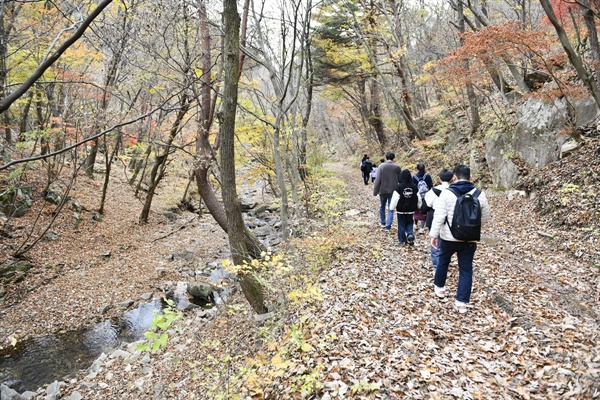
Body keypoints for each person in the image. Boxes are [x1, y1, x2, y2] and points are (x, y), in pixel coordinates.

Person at [429, 165, 491, 314]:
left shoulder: (447, 193)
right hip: (469, 239)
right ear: (470, 178)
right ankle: (461, 303)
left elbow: (439, 216)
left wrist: (433, 235)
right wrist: (472, 228)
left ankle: (440, 289)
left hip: (448, 237)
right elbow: (486, 216)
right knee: (466, 269)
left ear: (454, 177)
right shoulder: (479, 194)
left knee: (443, 261)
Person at [423, 168, 453, 274]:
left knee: (434, 243)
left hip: (434, 218)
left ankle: (437, 267)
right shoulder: (455, 191)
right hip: (450, 220)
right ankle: (444, 264)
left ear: (439, 179)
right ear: (452, 178)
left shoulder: (433, 191)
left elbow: (424, 208)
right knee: (446, 244)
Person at [389, 169, 421, 245]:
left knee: (401, 224)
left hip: (401, 209)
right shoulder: (414, 186)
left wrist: (391, 208)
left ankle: (402, 240)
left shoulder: (399, 187)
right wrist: (419, 206)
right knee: (410, 222)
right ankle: (410, 234)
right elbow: (418, 197)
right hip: (411, 209)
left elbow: (395, 198)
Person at [373, 152, 402, 232]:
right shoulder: (397, 167)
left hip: (382, 191)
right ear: (393, 158)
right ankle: (388, 226)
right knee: (391, 208)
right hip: (393, 191)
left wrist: (375, 191)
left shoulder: (381, 166)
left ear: (386, 157)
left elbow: (377, 179)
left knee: (382, 206)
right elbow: (400, 180)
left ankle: (382, 222)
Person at [413, 163, 433, 232]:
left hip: (417, 196)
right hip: (426, 196)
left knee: (416, 210)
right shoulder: (427, 176)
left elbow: (413, 187)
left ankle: (415, 225)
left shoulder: (414, 177)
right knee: (424, 211)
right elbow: (431, 186)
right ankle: (421, 228)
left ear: (417, 168)